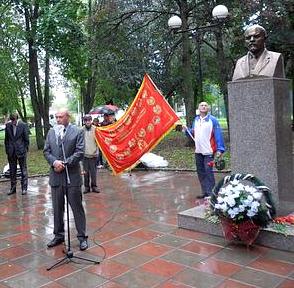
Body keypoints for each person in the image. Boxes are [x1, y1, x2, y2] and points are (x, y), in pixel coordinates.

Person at [43, 109, 88, 251]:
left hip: (72, 177)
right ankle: (58, 235)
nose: (58, 120)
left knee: (77, 208)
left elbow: (80, 152)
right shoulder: (51, 132)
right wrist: (54, 162)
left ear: (68, 117)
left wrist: (65, 163)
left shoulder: (77, 131)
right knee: (57, 208)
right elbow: (46, 151)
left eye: (60, 117)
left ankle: (82, 237)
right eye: (56, 117)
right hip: (56, 177)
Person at [185, 102, 225, 199]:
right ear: (198, 108)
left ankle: (212, 194)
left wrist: (220, 149)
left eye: (205, 105)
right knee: (201, 172)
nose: (203, 106)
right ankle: (205, 192)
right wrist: (187, 130)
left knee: (208, 172)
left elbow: (218, 134)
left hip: (209, 152)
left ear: (208, 108)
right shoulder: (196, 119)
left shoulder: (213, 120)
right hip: (198, 151)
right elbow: (193, 133)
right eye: (201, 105)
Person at [5, 113, 30, 195]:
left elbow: (26, 139)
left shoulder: (23, 125)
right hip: (11, 152)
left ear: (17, 119)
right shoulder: (8, 126)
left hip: (21, 151)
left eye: (14, 121)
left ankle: (24, 188)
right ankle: (13, 188)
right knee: (12, 171)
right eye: (11, 121)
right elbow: (6, 140)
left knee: (23, 170)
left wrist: (25, 149)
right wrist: (7, 150)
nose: (13, 123)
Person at [82, 114, 99, 193]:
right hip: (85, 155)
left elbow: (99, 142)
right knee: (86, 172)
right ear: (84, 121)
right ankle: (86, 187)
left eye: (89, 120)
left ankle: (94, 186)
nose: (88, 122)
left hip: (94, 154)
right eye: (86, 120)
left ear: (91, 121)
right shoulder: (81, 130)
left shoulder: (96, 129)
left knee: (93, 172)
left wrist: (97, 151)